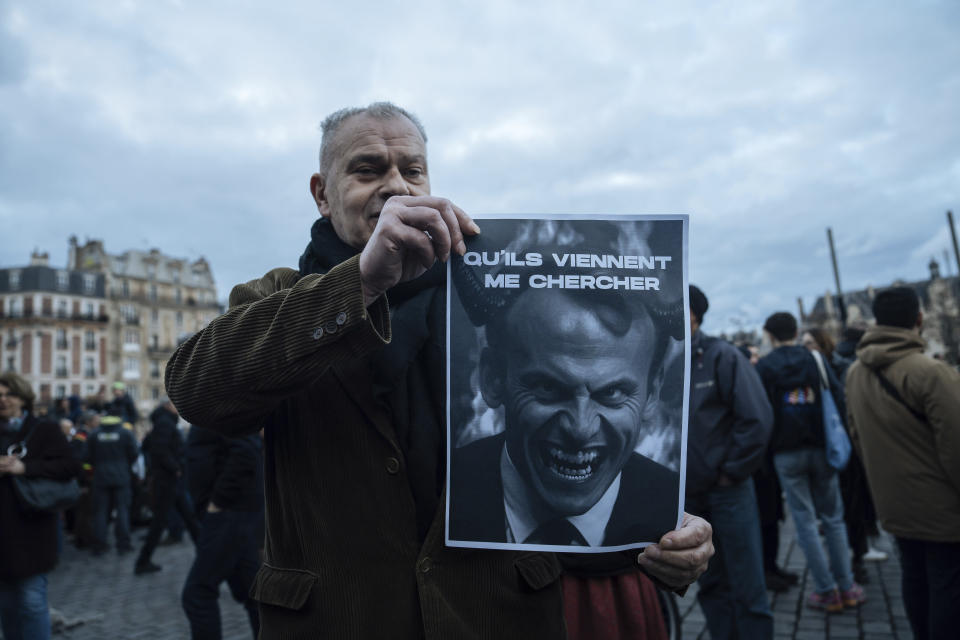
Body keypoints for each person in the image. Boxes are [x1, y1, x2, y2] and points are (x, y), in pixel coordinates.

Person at [165, 102, 713, 639]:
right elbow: (198, 392)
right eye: (367, 170)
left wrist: (664, 536)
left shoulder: (489, 300)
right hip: (337, 620)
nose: (396, 187)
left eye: (412, 170)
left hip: (497, 617)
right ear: (321, 193)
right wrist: (360, 282)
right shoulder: (277, 296)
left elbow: (571, 452)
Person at [448, 281, 679, 547]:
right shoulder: (437, 491)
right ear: (493, 379)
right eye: (548, 387)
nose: (580, 429)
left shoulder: (673, 506)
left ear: (653, 391)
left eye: (613, 393)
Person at [844, 286, 960, 640]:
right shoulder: (931, 372)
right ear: (919, 319)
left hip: (894, 504)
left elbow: (857, 438)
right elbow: (956, 447)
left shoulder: (854, 374)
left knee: (914, 578)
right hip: (943, 507)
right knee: (948, 588)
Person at [755, 312, 863, 613]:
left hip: (785, 453)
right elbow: (838, 399)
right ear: (795, 330)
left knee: (803, 520)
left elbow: (760, 412)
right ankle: (847, 586)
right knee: (833, 518)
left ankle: (826, 590)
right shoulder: (814, 358)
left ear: (770, 334)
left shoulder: (764, 366)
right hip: (820, 446)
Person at [684, 285, 774, 639]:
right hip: (689, 499)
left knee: (747, 583)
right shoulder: (666, 357)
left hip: (728, 492)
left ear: (693, 314)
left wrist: (729, 472)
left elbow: (756, 420)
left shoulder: (722, 356)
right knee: (709, 583)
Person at [0, 373, 78, 640]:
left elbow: (69, 467)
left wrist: (26, 468)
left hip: (32, 527)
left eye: (9, 394)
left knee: (31, 601)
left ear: (23, 398)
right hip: (2, 530)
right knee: (7, 606)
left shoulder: (44, 429)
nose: (3, 400)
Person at [801, 325, 882, 584]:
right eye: (804, 344)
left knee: (851, 505)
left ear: (823, 344)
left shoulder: (841, 366)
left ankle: (856, 557)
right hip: (822, 446)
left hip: (843, 444)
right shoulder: (806, 370)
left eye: (811, 344)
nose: (807, 349)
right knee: (834, 510)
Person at [181, 425, 263, 639]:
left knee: (197, 593)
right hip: (231, 512)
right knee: (254, 594)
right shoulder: (211, 407)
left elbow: (246, 452)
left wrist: (218, 501)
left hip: (229, 513)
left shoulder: (219, 401)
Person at [134, 397, 198, 574]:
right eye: (174, 404)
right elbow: (159, 449)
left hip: (169, 479)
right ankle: (142, 560)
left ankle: (207, 554)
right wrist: (175, 467)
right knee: (161, 521)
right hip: (168, 479)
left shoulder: (163, 422)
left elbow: (150, 445)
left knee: (189, 518)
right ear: (167, 406)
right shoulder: (165, 423)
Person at [86, 414, 139, 555]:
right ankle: (123, 544)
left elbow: (86, 456)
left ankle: (99, 545)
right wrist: (124, 465)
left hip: (100, 477)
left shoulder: (94, 434)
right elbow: (134, 453)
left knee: (101, 512)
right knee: (122, 510)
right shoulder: (125, 433)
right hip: (121, 476)